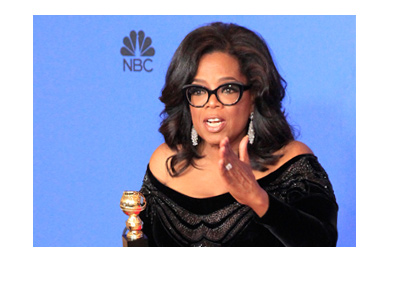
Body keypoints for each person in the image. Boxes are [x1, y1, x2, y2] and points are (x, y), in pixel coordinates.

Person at [139, 22, 338, 246]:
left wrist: (257, 197)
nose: (211, 103)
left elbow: (323, 246)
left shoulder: (292, 163)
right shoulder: (166, 163)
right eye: (198, 91)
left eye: (227, 89)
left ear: (254, 95)